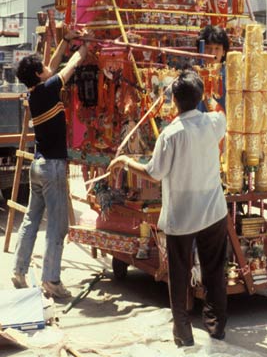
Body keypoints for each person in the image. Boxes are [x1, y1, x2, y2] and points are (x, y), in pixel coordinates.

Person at [108, 69, 228, 347]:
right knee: (214, 272)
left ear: (174, 100)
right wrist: (204, 94)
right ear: (198, 97)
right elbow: (214, 108)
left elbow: (154, 172)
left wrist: (124, 160)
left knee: (179, 275)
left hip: (182, 216)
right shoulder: (214, 122)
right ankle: (216, 328)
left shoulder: (170, 134)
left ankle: (183, 334)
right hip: (212, 211)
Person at [12, 27, 91, 298]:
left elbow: (54, 64)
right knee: (58, 227)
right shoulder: (47, 89)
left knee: (31, 220)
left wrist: (66, 41)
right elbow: (69, 67)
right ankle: (51, 280)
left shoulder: (36, 92)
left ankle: (19, 271)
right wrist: (84, 48)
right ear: (38, 74)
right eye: (43, 66)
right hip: (53, 167)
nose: (48, 66)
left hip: (37, 166)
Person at [196, 24, 229, 112]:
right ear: (200, 50)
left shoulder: (232, 77)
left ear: (224, 52)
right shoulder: (194, 76)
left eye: (217, 48)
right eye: (208, 48)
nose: (212, 52)